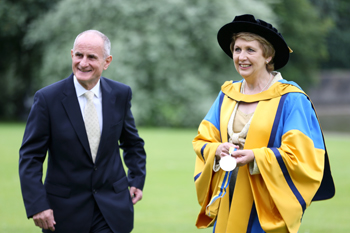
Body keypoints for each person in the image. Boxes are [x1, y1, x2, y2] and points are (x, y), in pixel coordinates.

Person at [192, 14, 335, 233]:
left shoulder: (291, 98)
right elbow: (203, 140)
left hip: (265, 206)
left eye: (250, 50)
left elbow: (302, 155)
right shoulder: (227, 95)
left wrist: (256, 157)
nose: (242, 57)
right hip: (227, 200)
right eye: (237, 49)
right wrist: (217, 149)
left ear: (268, 55)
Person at [19, 30, 146, 233]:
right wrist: (38, 205)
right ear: (72, 55)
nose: (83, 62)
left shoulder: (121, 94)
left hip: (112, 210)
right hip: (64, 213)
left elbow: (132, 143)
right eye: (79, 55)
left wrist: (137, 179)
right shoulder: (47, 99)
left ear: (107, 61)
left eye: (91, 57)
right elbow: (30, 156)